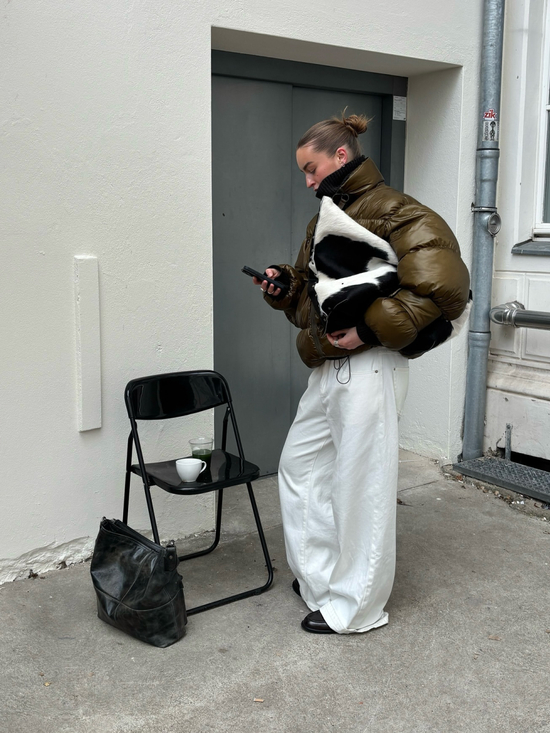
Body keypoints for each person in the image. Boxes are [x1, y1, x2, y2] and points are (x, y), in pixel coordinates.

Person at [252, 113, 470, 634]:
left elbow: (446, 289)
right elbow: (314, 299)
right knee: (301, 468)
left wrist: (369, 330)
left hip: (371, 365)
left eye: (312, 168)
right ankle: (320, 580)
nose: (308, 181)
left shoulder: (397, 210)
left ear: (340, 156)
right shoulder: (326, 218)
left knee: (361, 484)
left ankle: (356, 609)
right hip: (330, 365)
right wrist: (285, 287)